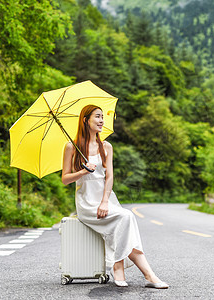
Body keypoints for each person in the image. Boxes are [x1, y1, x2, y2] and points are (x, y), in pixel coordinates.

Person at [61, 104, 168, 289]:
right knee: (126, 217)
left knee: (126, 220)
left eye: (102, 117)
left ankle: (130, 269)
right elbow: (65, 179)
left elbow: (109, 176)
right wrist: (81, 172)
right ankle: (138, 272)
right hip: (87, 203)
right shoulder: (72, 146)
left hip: (106, 199)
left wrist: (104, 202)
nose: (102, 120)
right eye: (97, 116)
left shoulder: (106, 146)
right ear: (85, 120)